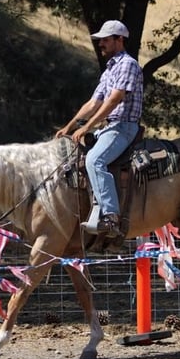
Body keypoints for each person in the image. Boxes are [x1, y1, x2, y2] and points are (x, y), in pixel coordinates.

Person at [55, 19, 144, 238]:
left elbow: (114, 100)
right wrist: (69, 126)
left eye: (105, 39)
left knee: (95, 160)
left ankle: (111, 216)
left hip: (123, 127)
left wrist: (87, 128)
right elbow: (93, 102)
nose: (101, 44)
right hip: (111, 126)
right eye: (100, 40)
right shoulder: (110, 70)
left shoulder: (128, 65)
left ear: (119, 40)